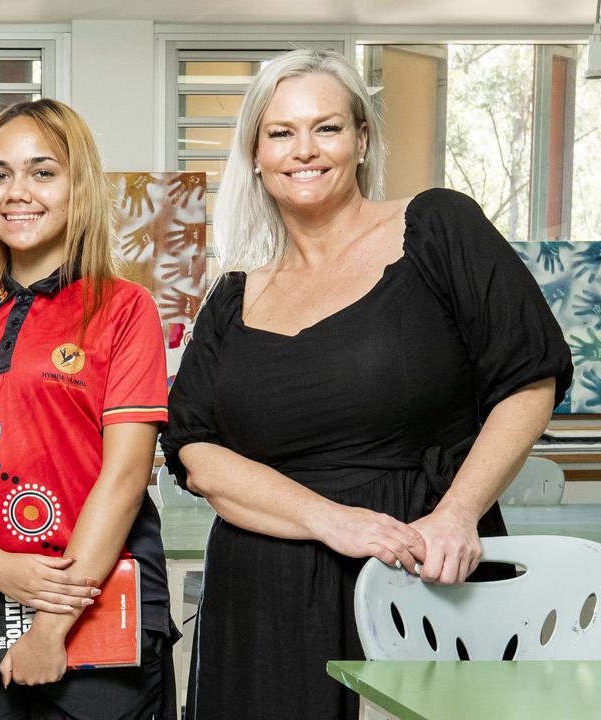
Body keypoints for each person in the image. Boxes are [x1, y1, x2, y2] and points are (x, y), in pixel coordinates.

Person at [161, 48, 574, 720]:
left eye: (326, 127)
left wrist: (459, 512)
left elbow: (529, 377)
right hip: (261, 604)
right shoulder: (230, 300)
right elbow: (194, 451)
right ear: (256, 155)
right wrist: (331, 521)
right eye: (281, 132)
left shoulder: (437, 228)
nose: (304, 150)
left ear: (361, 140)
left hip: (421, 576)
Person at [0, 98, 176, 720]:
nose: (17, 192)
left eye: (42, 171)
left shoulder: (124, 307)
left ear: (78, 187)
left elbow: (125, 475)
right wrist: (0, 569)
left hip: (103, 605)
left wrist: (50, 628)